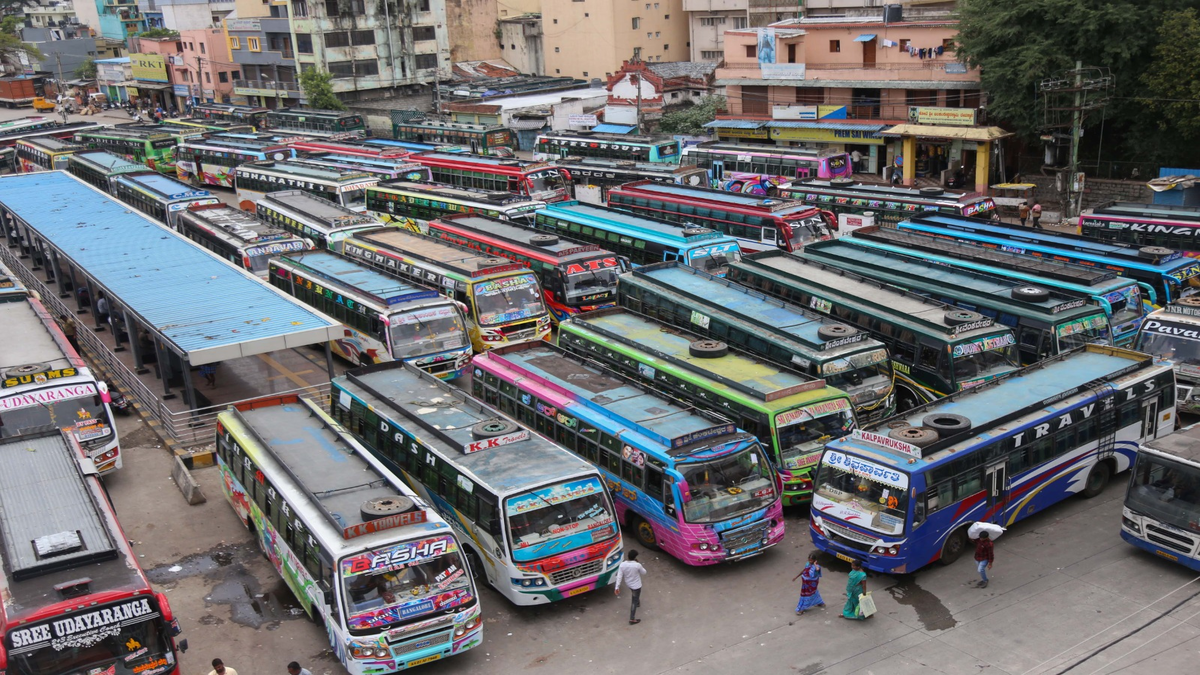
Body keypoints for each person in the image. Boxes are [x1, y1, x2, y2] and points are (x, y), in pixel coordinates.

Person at [614, 549, 647, 625]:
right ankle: (632, 619)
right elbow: (644, 572)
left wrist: (617, 587)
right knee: (634, 601)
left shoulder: (622, 565)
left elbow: (619, 576)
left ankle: (637, 602)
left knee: (634, 594)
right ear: (635, 557)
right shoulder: (637, 565)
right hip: (636, 585)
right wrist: (638, 563)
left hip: (628, 584)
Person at [792, 551, 826, 615]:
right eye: (809, 560)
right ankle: (820, 603)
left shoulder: (816, 566)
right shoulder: (807, 564)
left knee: (806, 595)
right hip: (805, 584)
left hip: (812, 584)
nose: (810, 561)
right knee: (814, 593)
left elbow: (817, 569)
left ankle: (802, 609)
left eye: (811, 560)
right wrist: (796, 577)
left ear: (814, 560)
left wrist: (815, 564)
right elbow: (804, 570)